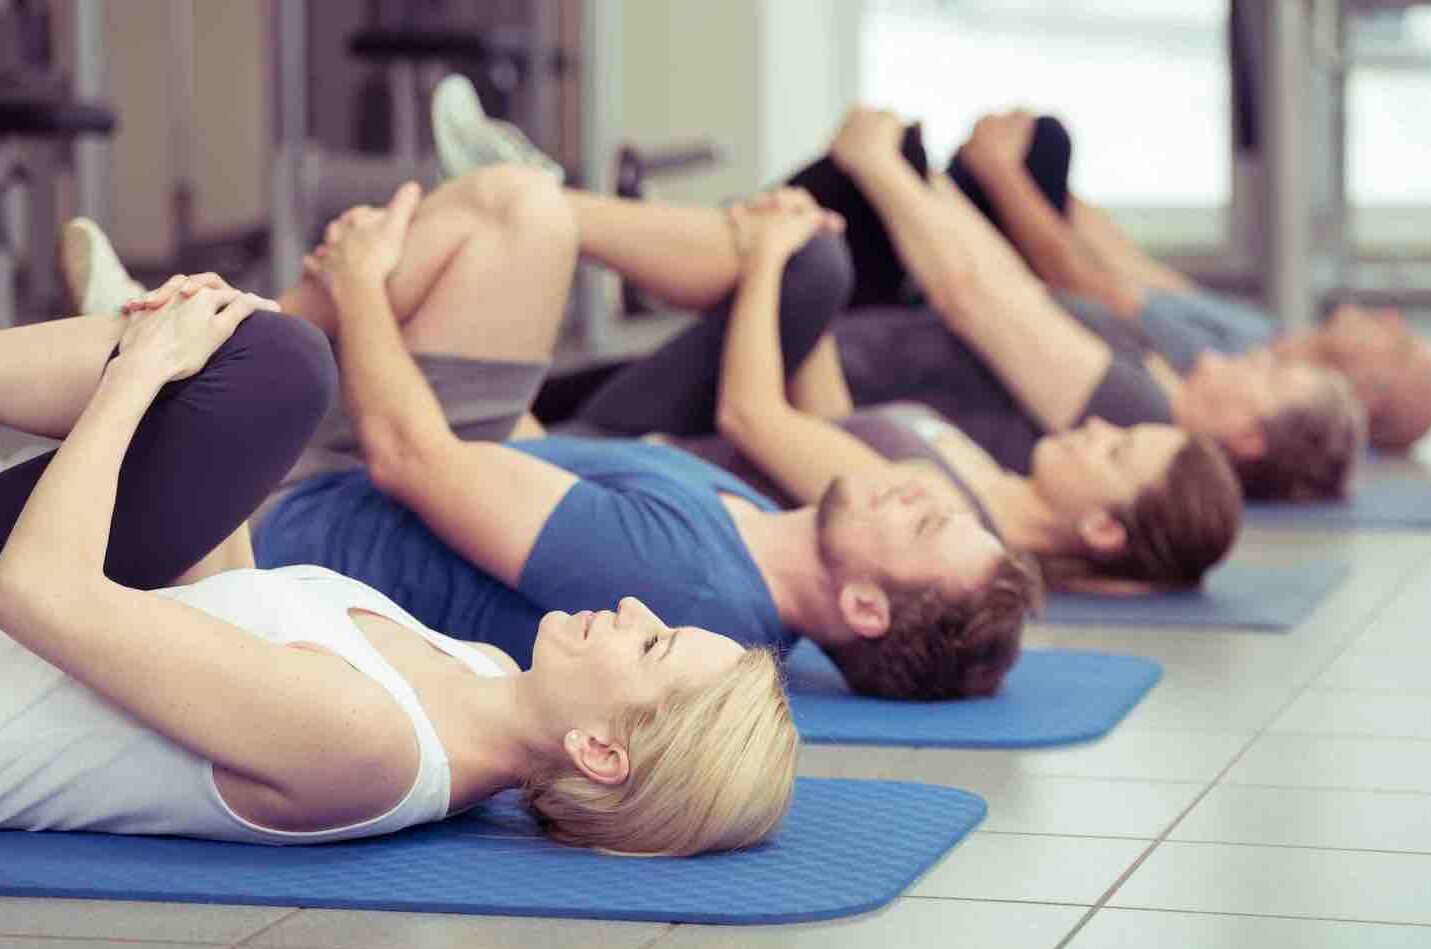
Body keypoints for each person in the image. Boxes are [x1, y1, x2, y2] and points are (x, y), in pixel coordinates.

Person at [114, 166, 1024, 702]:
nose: (919, 490)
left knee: (500, 217)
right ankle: (195, 329)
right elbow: (531, 455)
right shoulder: (754, 522)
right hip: (385, 464)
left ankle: (174, 341)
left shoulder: (688, 582)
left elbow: (409, 460)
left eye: (926, 526)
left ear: (865, 607)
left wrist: (362, 284)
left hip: (271, 512)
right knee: (523, 213)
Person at [0, 280, 796, 857]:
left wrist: (136, 373)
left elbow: (37, 589)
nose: (633, 607)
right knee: (263, 373)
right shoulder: (475, 670)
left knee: (271, 366)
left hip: (21, 611)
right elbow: (220, 604)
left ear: (599, 751)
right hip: (34, 604)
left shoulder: (367, 743)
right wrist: (205, 415)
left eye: (651, 645)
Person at [529, 184, 1241, 596]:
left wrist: (771, 265)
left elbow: (749, 416)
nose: (1098, 428)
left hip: (607, 454)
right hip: (651, 433)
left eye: (1114, 451)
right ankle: (539, 209)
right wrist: (799, 280)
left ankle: (534, 209)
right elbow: (834, 419)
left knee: (802, 257)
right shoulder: (982, 480)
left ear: (1102, 528)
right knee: (815, 255)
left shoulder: (936, 514)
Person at [786, 107, 1366, 503]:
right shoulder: (1159, 377)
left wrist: (876, 162)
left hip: (843, 354)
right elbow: (1014, 285)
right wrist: (923, 177)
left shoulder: (1136, 414)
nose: (1262, 358)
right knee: (897, 167)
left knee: (827, 226)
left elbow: (974, 300)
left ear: (1247, 436)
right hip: (870, 330)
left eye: (1276, 377)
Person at [944, 110, 1431, 453]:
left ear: (1371, 392)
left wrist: (1001, 170)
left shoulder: (1212, 370)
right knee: (1046, 145)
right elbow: (1130, 266)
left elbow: (1078, 281)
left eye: (1402, 342)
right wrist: (1053, 199)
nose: (1390, 319)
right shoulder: (1260, 335)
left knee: (1044, 144)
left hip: (988, 290)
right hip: (1009, 265)